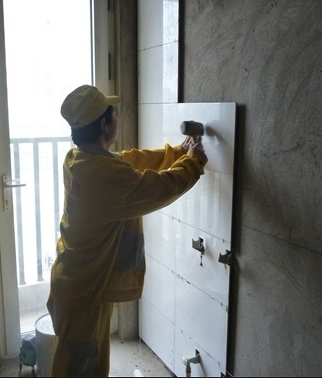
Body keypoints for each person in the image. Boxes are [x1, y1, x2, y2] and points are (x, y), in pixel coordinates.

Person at [46, 85, 208, 377]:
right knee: (79, 370)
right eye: (114, 114)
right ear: (105, 125)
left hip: (75, 280)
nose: (118, 118)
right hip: (85, 290)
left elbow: (127, 161)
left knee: (86, 363)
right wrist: (193, 163)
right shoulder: (106, 176)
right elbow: (157, 188)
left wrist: (176, 152)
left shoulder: (77, 159)